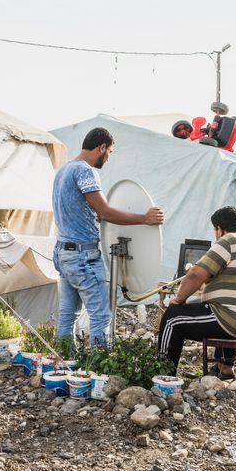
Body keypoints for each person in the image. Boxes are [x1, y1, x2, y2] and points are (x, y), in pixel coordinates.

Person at [53, 127, 164, 346]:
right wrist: (145, 218)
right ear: (102, 147)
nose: (109, 157)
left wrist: (94, 217)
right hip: (82, 256)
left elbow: (80, 209)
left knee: (68, 315)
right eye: (110, 152)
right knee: (101, 315)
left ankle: (62, 363)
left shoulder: (64, 170)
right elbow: (105, 211)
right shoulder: (85, 171)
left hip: (63, 252)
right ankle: (99, 369)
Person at [157, 206, 236, 379]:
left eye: (215, 230)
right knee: (220, 306)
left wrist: (178, 299)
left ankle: (162, 375)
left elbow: (196, 274)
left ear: (219, 229)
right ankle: (225, 367)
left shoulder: (228, 241)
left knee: (173, 317)